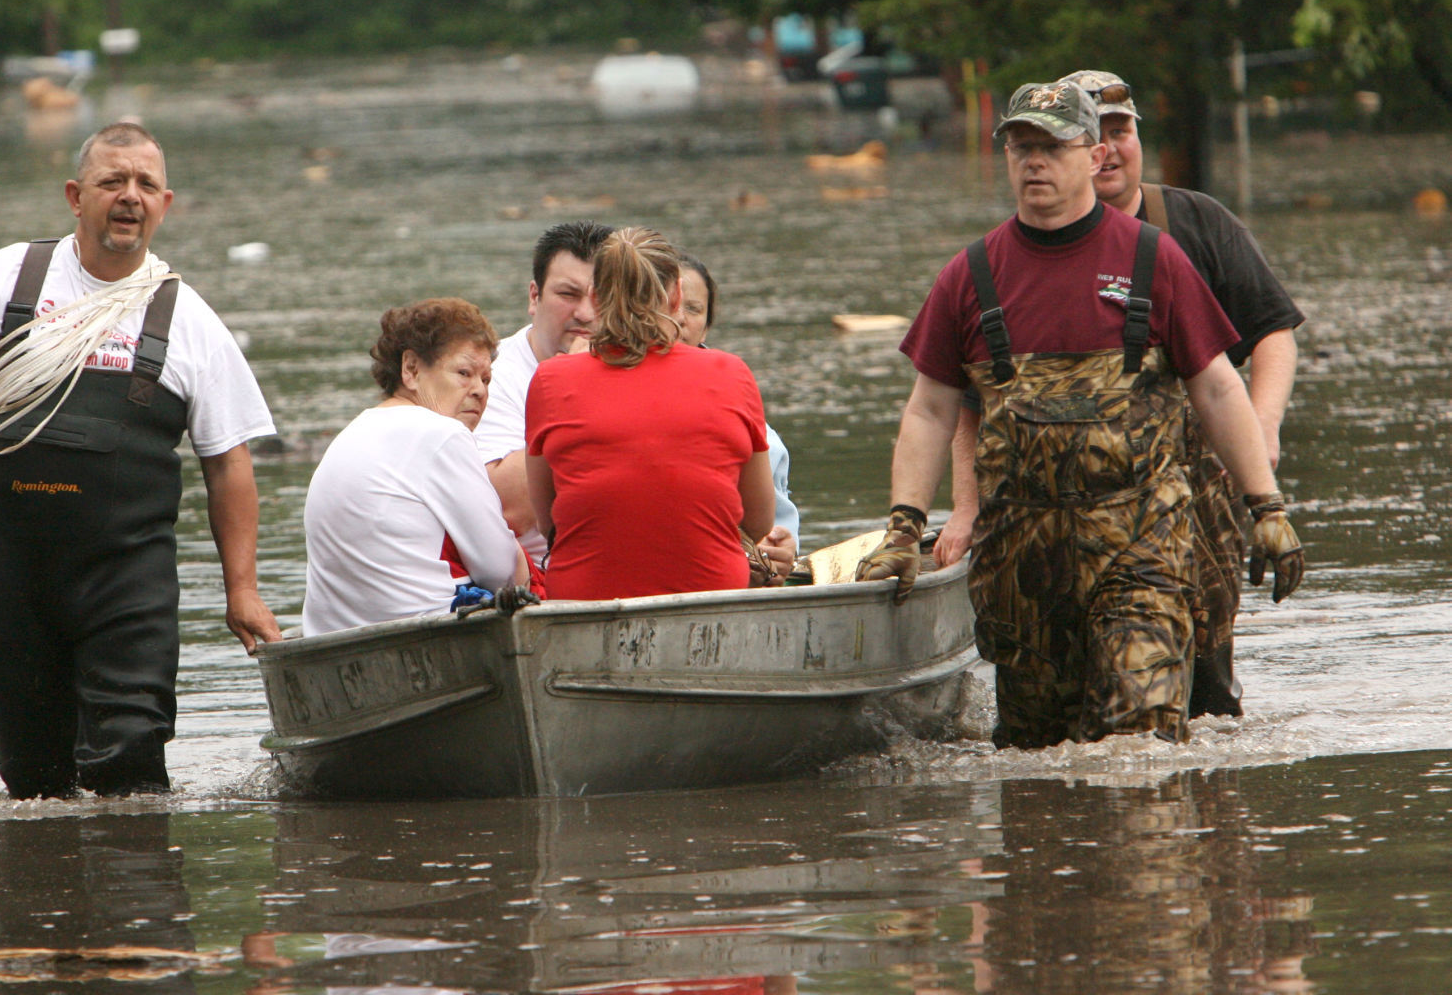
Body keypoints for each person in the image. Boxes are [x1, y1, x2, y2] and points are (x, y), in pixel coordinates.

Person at [858, 79, 1303, 749]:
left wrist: (1266, 509)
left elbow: (1216, 388)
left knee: (1140, 747)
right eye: (1020, 146)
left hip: (1142, 550)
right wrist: (902, 530)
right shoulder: (969, 275)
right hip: (1022, 570)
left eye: (1051, 145)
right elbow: (930, 412)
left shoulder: (1156, 258)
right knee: (1037, 762)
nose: (1033, 161)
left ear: (1092, 154)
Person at [0, 121, 280, 799]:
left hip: (128, 578)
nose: (129, 196)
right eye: (112, 182)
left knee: (130, 762)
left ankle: (137, 896)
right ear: (76, 195)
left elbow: (228, 463)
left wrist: (241, 589)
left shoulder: (189, 320)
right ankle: (50, 899)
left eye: (145, 185)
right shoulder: (4, 278)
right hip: (12, 568)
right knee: (32, 776)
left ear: (166, 204)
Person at [526, 226, 776, 600]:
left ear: (595, 297)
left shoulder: (550, 380)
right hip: (714, 597)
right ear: (677, 296)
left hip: (583, 602)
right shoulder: (731, 372)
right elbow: (758, 521)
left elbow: (550, 522)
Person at [302, 298, 528, 637]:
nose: (480, 391)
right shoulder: (442, 435)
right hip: (425, 636)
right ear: (411, 369)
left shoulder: (354, 432)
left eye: (486, 379)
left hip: (333, 640)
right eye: (464, 373)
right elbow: (502, 572)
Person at [474, 221, 613, 563]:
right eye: (569, 295)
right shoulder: (491, 376)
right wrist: (575, 385)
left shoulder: (650, 366)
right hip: (541, 580)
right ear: (534, 297)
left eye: (602, 297)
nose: (586, 313)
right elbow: (512, 510)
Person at [675, 251, 798, 584]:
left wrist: (780, 551)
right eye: (667, 305)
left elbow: (775, 535)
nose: (680, 320)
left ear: (706, 326)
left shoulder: (743, 408)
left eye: (693, 309)